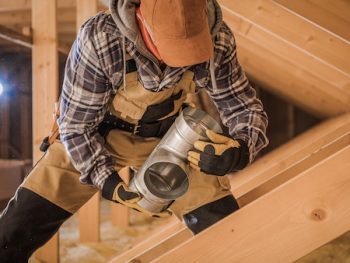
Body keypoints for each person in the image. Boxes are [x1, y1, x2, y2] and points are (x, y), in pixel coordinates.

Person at [0, 0, 268, 262]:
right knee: (13, 231)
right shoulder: (101, 38)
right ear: (141, 21)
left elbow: (244, 108)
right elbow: (76, 126)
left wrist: (242, 149)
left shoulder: (217, 40)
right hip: (94, 134)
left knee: (223, 225)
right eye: (171, 49)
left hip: (167, 136)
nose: (176, 63)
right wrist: (106, 181)